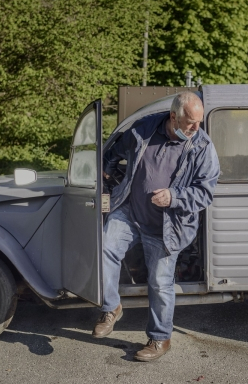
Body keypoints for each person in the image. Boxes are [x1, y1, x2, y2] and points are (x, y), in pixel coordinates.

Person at [92, 91, 220, 361]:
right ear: (173, 117)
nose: (196, 128)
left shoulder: (202, 147)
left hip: (167, 225)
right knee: (104, 248)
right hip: (130, 211)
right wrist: (107, 168)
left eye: (199, 122)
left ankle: (160, 339)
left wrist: (174, 197)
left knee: (160, 283)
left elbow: (205, 193)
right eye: (190, 122)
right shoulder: (145, 128)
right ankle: (111, 307)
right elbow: (115, 149)